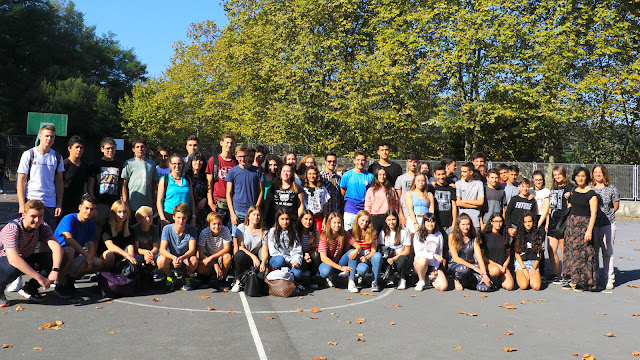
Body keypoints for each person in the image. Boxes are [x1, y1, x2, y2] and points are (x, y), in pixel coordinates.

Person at [0, 200, 64, 307]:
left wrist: (55, 270)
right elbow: (13, 259)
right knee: (13, 266)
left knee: (61, 257)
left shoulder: (42, 226)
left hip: (24, 258)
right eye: (33, 216)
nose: (37, 220)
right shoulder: (12, 228)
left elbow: (57, 247)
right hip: (5, 261)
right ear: (24, 215)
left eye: (40, 216)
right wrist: (41, 278)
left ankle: (30, 288)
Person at [54, 194, 102, 298]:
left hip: (75, 256)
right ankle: (59, 284)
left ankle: (70, 280)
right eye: (86, 208)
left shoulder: (91, 224)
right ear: (79, 207)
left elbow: (91, 245)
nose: (89, 212)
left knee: (97, 262)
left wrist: (88, 258)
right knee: (70, 250)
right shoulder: (69, 218)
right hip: (58, 257)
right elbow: (68, 239)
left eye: (92, 209)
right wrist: (85, 254)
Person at [17, 124, 64, 230]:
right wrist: (21, 204)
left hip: (50, 202)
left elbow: (59, 181)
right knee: (27, 234)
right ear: (40, 136)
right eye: (46, 136)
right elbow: (21, 180)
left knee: (47, 236)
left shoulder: (57, 157)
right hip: (31, 199)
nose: (49, 139)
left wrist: (59, 204)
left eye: (52, 136)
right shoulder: (29, 154)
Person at [563, 167, 598, 292]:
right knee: (572, 253)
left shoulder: (591, 193)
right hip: (572, 225)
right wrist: (568, 199)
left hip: (584, 226)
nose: (580, 178)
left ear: (587, 177)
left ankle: (583, 282)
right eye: (578, 176)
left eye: (583, 176)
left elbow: (593, 214)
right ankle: (573, 280)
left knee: (583, 255)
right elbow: (571, 207)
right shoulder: (574, 190)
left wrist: (589, 230)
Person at [157, 203, 199, 291]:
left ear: (187, 218)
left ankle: (187, 277)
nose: (181, 221)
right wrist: (174, 258)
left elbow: (192, 250)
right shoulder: (167, 229)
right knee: (160, 260)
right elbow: (162, 249)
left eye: (183, 218)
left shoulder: (192, 229)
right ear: (173, 217)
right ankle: (170, 277)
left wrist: (181, 258)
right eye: (178, 218)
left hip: (185, 258)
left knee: (194, 260)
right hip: (171, 258)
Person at [591, 164, 619, 290]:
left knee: (607, 252)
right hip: (593, 224)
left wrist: (607, 215)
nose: (598, 174)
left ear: (604, 174)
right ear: (592, 174)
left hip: (608, 224)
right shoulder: (589, 188)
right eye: (596, 172)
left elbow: (616, 206)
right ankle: (595, 277)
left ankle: (609, 278)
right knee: (594, 252)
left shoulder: (611, 188)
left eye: (600, 172)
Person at [448, 214, 492, 292]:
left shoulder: (474, 238)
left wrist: (484, 274)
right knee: (463, 269)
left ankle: (469, 282)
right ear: (458, 225)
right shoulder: (452, 236)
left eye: (467, 224)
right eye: (463, 225)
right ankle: (456, 280)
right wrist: (474, 267)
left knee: (485, 287)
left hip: (471, 266)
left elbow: (479, 257)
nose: (466, 227)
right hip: (457, 266)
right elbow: (455, 258)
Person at [547, 165, 575, 284]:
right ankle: (555, 273)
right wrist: (547, 222)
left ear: (564, 174)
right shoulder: (553, 188)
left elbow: (574, 202)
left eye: (559, 174)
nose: (557, 177)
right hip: (553, 219)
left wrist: (571, 196)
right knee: (551, 249)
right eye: (555, 175)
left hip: (564, 220)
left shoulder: (571, 187)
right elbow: (550, 207)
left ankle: (565, 273)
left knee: (564, 249)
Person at [226, 145, 264, 234]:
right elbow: (228, 193)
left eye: (245, 156)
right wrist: (232, 213)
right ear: (236, 156)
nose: (243, 159)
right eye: (240, 156)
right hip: (238, 211)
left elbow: (261, 191)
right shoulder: (233, 172)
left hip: (252, 212)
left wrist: (256, 209)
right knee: (236, 239)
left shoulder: (257, 171)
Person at [317, 212, 360, 291]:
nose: (337, 225)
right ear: (329, 223)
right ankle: (329, 277)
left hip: (339, 260)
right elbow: (323, 258)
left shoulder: (344, 233)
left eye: (339, 223)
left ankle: (351, 282)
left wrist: (357, 250)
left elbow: (357, 246)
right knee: (325, 271)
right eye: (334, 223)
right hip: (328, 263)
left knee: (352, 251)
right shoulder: (324, 236)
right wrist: (341, 268)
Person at [230, 206, 268, 292]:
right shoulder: (242, 227)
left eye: (258, 215)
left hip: (255, 261)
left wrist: (263, 263)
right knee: (239, 254)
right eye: (253, 214)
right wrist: (252, 256)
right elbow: (241, 247)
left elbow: (265, 250)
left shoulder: (263, 232)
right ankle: (237, 281)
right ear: (249, 215)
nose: (256, 217)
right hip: (244, 257)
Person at [88, 137, 122, 229]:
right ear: (102, 149)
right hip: (100, 204)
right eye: (108, 148)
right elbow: (90, 186)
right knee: (97, 232)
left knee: (113, 231)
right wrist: (93, 205)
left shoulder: (119, 165)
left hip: (115, 204)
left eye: (113, 148)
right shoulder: (95, 165)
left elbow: (122, 185)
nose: (111, 150)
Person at [206, 132, 237, 229]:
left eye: (231, 143)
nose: (229, 145)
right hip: (218, 202)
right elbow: (209, 183)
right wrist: (211, 202)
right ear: (221, 143)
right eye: (227, 142)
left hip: (233, 203)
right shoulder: (214, 160)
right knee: (216, 231)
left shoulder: (236, 162)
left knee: (231, 233)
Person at [122, 137, 159, 217]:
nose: (140, 149)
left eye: (142, 147)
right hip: (133, 204)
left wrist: (156, 202)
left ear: (146, 148)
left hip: (148, 204)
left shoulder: (152, 164)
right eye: (137, 147)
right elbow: (124, 185)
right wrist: (125, 202)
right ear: (133, 149)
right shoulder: (129, 163)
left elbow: (154, 185)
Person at [156, 155, 196, 227]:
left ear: (182, 164)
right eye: (174, 163)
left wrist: (193, 217)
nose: (177, 166)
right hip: (169, 216)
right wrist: (162, 218)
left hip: (185, 216)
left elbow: (191, 200)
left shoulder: (187, 180)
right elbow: (159, 201)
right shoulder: (164, 180)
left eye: (179, 163)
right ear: (170, 165)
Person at [196, 212, 233, 289]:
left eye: (219, 224)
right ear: (209, 224)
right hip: (207, 257)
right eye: (214, 224)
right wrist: (214, 264)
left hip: (219, 256)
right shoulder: (204, 233)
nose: (217, 226)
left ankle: (221, 278)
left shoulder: (225, 230)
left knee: (227, 257)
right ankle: (209, 277)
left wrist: (212, 257)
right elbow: (200, 253)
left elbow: (227, 248)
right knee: (201, 265)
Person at [349, 210, 382, 292]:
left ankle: (375, 282)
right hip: (357, 257)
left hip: (368, 256)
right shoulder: (351, 232)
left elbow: (374, 250)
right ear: (358, 220)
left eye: (367, 221)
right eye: (362, 220)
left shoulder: (372, 232)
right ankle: (359, 277)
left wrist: (366, 257)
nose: (364, 223)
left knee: (378, 256)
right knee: (362, 269)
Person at [413, 213, 448, 291]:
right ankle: (421, 280)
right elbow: (418, 253)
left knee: (443, 287)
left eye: (432, 221)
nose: (430, 224)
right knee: (423, 260)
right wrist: (433, 255)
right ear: (424, 222)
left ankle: (429, 280)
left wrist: (435, 268)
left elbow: (440, 253)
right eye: (428, 221)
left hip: (433, 266)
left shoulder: (439, 235)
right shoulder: (418, 234)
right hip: (420, 265)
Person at [340, 150, 374, 230]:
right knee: (349, 233)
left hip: (364, 208)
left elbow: (371, 193)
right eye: (358, 160)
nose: (360, 162)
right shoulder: (347, 175)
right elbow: (342, 190)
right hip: (350, 207)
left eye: (362, 160)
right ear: (354, 161)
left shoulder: (370, 176)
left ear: (365, 161)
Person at [378, 210, 411, 290]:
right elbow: (381, 247)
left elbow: (407, 250)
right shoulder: (383, 233)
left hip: (399, 258)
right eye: (389, 220)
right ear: (385, 221)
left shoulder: (404, 231)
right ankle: (390, 276)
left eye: (393, 219)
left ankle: (402, 279)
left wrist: (394, 258)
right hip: (388, 259)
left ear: (397, 219)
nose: (391, 222)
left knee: (403, 259)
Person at [99, 200, 136, 271]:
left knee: (136, 259)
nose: (122, 215)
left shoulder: (130, 229)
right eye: (119, 212)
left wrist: (130, 258)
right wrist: (127, 255)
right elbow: (110, 246)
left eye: (125, 212)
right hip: (106, 257)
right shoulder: (107, 227)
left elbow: (130, 247)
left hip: (122, 257)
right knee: (109, 255)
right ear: (114, 213)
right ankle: (105, 275)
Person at [481, 212, 514, 290]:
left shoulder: (505, 236)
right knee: (495, 271)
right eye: (496, 221)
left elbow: (508, 255)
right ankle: (490, 278)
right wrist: (498, 266)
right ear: (491, 222)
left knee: (510, 286)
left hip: (502, 266)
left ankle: (498, 280)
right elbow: (482, 256)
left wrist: (504, 266)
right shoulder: (485, 236)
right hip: (489, 265)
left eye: (500, 221)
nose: (498, 224)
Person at [267, 209, 303, 280]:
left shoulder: (294, 232)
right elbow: (273, 251)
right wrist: (288, 261)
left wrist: (295, 261)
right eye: (282, 219)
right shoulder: (272, 232)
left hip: (291, 261)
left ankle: (288, 277)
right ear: (278, 220)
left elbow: (297, 250)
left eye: (287, 219)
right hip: (278, 259)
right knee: (280, 260)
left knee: (298, 273)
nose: (285, 222)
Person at [512, 211, 544, 290]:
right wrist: (524, 269)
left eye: (529, 221)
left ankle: (531, 277)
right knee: (523, 286)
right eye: (525, 222)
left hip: (533, 263)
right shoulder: (518, 234)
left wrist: (534, 268)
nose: (528, 224)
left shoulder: (538, 233)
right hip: (522, 263)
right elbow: (517, 254)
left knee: (536, 287)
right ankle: (521, 276)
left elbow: (540, 253)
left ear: (533, 222)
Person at [365, 167, 400, 235]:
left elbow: (395, 204)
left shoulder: (391, 189)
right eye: (380, 174)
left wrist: (394, 215)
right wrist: (368, 218)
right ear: (376, 176)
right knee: (374, 237)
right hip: (375, 217)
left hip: (388, 217)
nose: (382, 176)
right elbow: (367, 205)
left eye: (384, 174)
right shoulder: (371, 190)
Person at [61, 135, 88, 217]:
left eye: (81, 147)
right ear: (69, 148)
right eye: (76, 147)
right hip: (64, 204)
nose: (79, 150)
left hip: (79, 205)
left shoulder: (85, 167)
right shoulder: (63, 165)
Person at [456, 162, 485, 233]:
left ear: (471, 172)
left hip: (475, 221)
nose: (462, 174)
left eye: (464, 172)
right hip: (462, 222)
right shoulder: (458, 184)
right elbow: (458, 203)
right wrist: (474, 206)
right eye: (461, 171)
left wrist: (465, 201)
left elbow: (480, 202)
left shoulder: (479, 184)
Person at [185, 151, 210, 233]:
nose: (198, 163)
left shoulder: (205, 177)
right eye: (195, 160)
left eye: (200, 160)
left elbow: (210, 190)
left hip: (203, 211)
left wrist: (205, 199)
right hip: (189, 211)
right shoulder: (186, 177)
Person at [297, 210, 321, 288]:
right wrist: (303, 255)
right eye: (306, 219)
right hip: (299, 255)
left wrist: (308, 254)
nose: (308, 222)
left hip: (309, 255)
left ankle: (313, 277)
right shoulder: (296, 232)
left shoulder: (315, 233)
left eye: (310, 219)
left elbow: (314, 247)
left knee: (316, 255)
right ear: (301, 220)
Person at [302, 166, 330, 233]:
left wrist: (324, 221)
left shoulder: (322, 189)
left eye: (314, 174)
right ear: (306, 175)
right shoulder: (303, 189)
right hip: (306, 218)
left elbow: (325, 206)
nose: (312, 176)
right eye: (310, 174)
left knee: (318, 238)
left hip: (318, 218)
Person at [433, 163, 457, 237]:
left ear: (446, 174)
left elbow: (454, 206)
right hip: (436, 223)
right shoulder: (432, 188)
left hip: (449, 223)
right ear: (435, 175)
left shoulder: (451, 188)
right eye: (439, 174)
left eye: (443, 174)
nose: (441, 177)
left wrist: (454, 222)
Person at [394, 153, 419, 227]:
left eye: (415, 162)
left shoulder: (422, 178)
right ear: (407, 163)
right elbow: (398, 199)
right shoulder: (401, 178)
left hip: (419, 214)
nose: (413, 164)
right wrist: (401, 215)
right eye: (410, 161)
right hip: (405, 213)